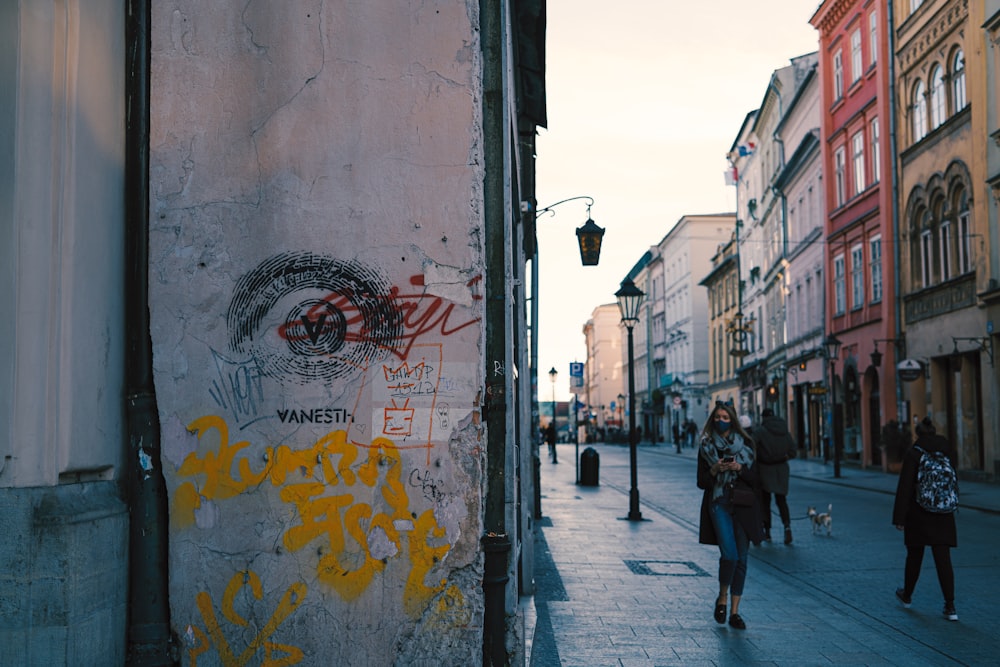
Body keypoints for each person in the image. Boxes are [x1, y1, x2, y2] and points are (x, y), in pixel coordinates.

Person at [697, 401, 764, 630]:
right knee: (730, 554)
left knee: (742, 558)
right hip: (719, 502)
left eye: (725, 416)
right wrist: (714, 470)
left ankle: (735, 612)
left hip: (743, 505)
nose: (720, 420)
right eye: (717, 417)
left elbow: (757, 480)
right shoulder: (706, 445)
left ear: (732, 419)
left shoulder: (746, 444)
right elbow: (701, 482)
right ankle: (722, 597)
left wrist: (739, 469)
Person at [892, 416, 959, 620]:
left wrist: (899, 518)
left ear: (918, 434)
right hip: (944, 511)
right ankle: (950, 606)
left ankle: (907, 596)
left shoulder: (914, 453)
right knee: (943, 558)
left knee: (914, 556)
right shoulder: (947, 451)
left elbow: (905, 487)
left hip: (918, 511)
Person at [754, 408, 797, 544]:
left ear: (764, 417)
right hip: (782, 469)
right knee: (781, 501)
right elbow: (793, 451)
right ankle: (787, 527)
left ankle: (767, 532)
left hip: (765, 469)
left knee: (765, 502)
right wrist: (783, 457)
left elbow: (750, 446)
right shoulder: (785, 431)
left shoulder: (760, 431)